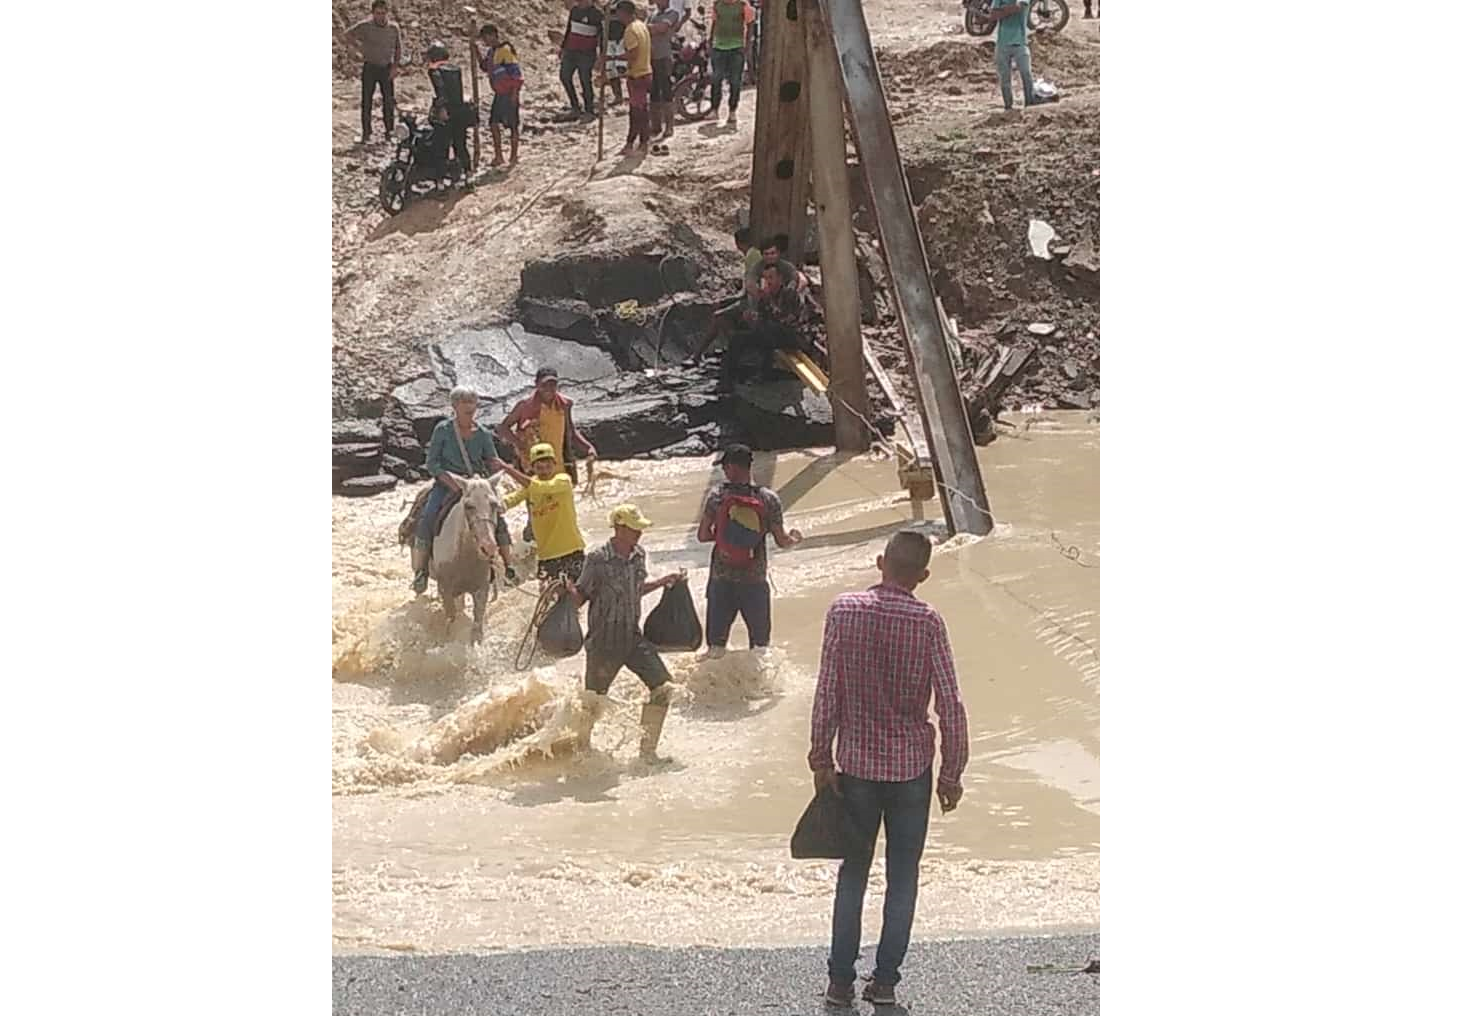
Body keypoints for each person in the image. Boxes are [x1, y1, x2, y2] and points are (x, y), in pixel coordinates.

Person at [808, 530, 969, 1009]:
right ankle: (886, 983)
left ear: (880, 562)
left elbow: (827, 690)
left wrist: (820, 757)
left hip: (854, 766)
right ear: (922, 576)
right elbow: (951, 703)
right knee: (903, 877)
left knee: (852, 875)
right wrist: (952, 772)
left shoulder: (843, 610)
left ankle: (840, 983)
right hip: (910, 772)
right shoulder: (928, 621)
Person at [566, 505, 685, 760]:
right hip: (603, 642)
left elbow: (637, 588)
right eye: (634, 528)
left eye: (640, 528)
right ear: (619, 528)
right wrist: (566, 593)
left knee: (664, 687)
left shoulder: (639, 555)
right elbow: (581, 596)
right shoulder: (597, 559)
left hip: (632, 637)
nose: (639, 532)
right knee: (593, 703)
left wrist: (663, 581)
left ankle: (647, 753)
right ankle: (579, 753)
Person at [412, 387, 517, 594]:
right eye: (465, 402)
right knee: (428, 516)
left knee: (498, 519)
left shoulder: (484, 434)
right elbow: (432, 464)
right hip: (447, 484)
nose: (470, 407)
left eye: (472, 402)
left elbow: (490, 460)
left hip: (477, 486)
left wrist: (501, 466)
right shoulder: (442, 430)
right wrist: (451, 483)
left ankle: (507, 566)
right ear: (455, 406)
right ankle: (421, 571)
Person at [697, 444, 801, 651]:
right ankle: (761, 683)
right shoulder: (768, 499)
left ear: (730, 467)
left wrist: (725, 536)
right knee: (761, 647)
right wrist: (795, 539)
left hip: (721, 580)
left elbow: (702, 535)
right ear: (749, 466)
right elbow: (782, 541)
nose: (724, 471)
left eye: (725, 466)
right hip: (754, 581)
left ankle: (713, 683)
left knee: (716, 648)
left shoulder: (717, 496)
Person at [499, 442, 588, 583]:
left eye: (548, 467)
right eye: (539, 468)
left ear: (555, 464)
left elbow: (542, 487)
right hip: (546, 556)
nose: (545, 472)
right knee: (547, 600)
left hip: (572, 551)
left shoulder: (563, 480)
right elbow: (509, 501)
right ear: (532, 468)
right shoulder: (530, 486)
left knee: (576, 597)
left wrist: (507, 469)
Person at [345, 1, 402, 145]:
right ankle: (366, 133)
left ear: (387, 13)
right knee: (367, 101)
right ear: (373, 13)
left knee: (388, 101)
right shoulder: (365, 26)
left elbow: (398, 48)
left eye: (383, 13)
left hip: (386, 68)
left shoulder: (393, 28)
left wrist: (395, 67)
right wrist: (356, 50)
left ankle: (389, 132)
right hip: (370, 67)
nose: (380, 16)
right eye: (378, 13)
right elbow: (347, 35)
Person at [427, 42, 475, 185]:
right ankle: (468, 175)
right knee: (460, 145)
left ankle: (440, 184)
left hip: (446, 112)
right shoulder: (455, 69)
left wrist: (441, 108)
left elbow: (440, 90)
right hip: (459, 111)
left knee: (441, 147)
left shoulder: (434, 70)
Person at [477, 24, 523, 167]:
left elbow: (516, 73)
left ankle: (514, 156)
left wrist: (515, 93)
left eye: (486, 38)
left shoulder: (505, 50)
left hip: (509, 92)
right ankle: (499, 156)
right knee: (493, 123)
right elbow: (484, 67)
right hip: (499, 93)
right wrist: (476, 52)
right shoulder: (492, 52)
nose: (485, 41)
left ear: (493, 35)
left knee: (513, 125)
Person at [706, 0, 754, 127]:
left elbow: (750, 24)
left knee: (735, 81)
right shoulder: (718, 4)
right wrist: (710, 41)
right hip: (719, 47)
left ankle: (732, 111)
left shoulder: (743, 5)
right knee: (716, 78)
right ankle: (714, 109)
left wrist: (747, 44)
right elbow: (714, 23)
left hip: (736, 47)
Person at [614, 2, 653, 157]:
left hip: (637, 75)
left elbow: (633, 53)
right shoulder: (641, 26)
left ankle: (640, 143)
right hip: (645, 72)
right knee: (639, 110)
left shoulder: (630, 30)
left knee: (638, 112)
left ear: (624, 13)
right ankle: (634, 142)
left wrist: (613, 57)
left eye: (618, 14)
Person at [558, 0, 604, 117]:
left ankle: (589, 109)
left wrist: (601, 56)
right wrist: (563, 48)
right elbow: (569, 29)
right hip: (571, 51)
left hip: (586, 53)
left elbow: (603, 37)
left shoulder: (597, 14)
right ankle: (575, 106)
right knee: (564, 76)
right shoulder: (574, 11)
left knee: (585, 80)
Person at [988, 0, 1035, 112]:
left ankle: (1030, 104)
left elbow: (1019, 7)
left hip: (1020, 41)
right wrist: (1009, 9)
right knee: (1005, 78)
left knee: (1026, 73)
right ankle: (1008, 107)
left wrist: (1002, 10)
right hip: (1002, 42)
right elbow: (993, 15)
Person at [647, 0, 683, 147]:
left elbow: (662, 28)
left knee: (666, 90)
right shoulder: (652, 15)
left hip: (664, 56)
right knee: (654, 92)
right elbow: (648, 30)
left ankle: (669, 125)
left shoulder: (673, 14)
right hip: (652, 57)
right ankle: (656, 125)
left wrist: (650, 28)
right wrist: (652, 28)